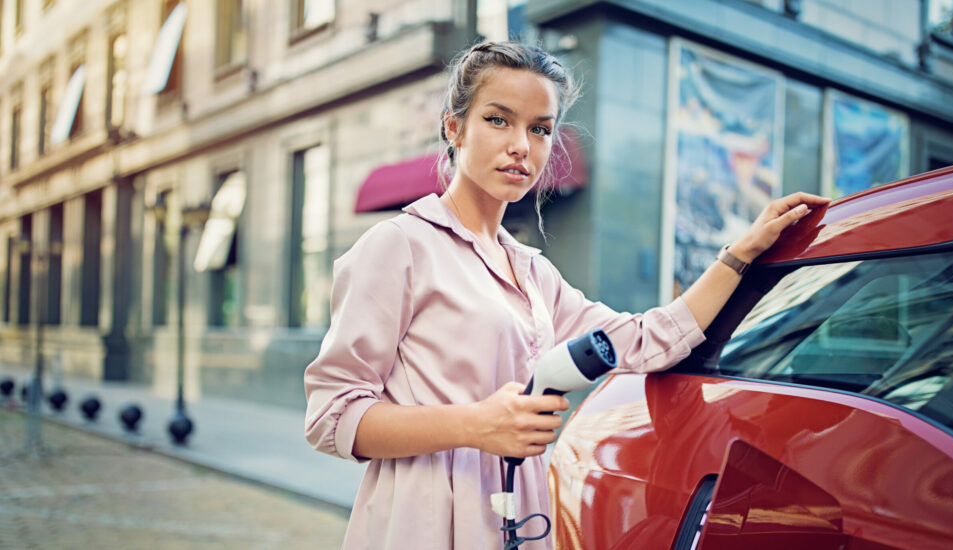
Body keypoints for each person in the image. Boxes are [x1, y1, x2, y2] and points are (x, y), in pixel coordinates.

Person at [304, 41, 830, 550]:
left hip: (520, 515)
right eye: (498, 119)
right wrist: (476, 424)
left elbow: (652, 341)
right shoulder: (400, 245)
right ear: (454, 127)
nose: (521, 146)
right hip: (423, 518)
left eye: (540, 129)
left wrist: (739, 255)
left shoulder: (534, 273)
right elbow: (332, 416)